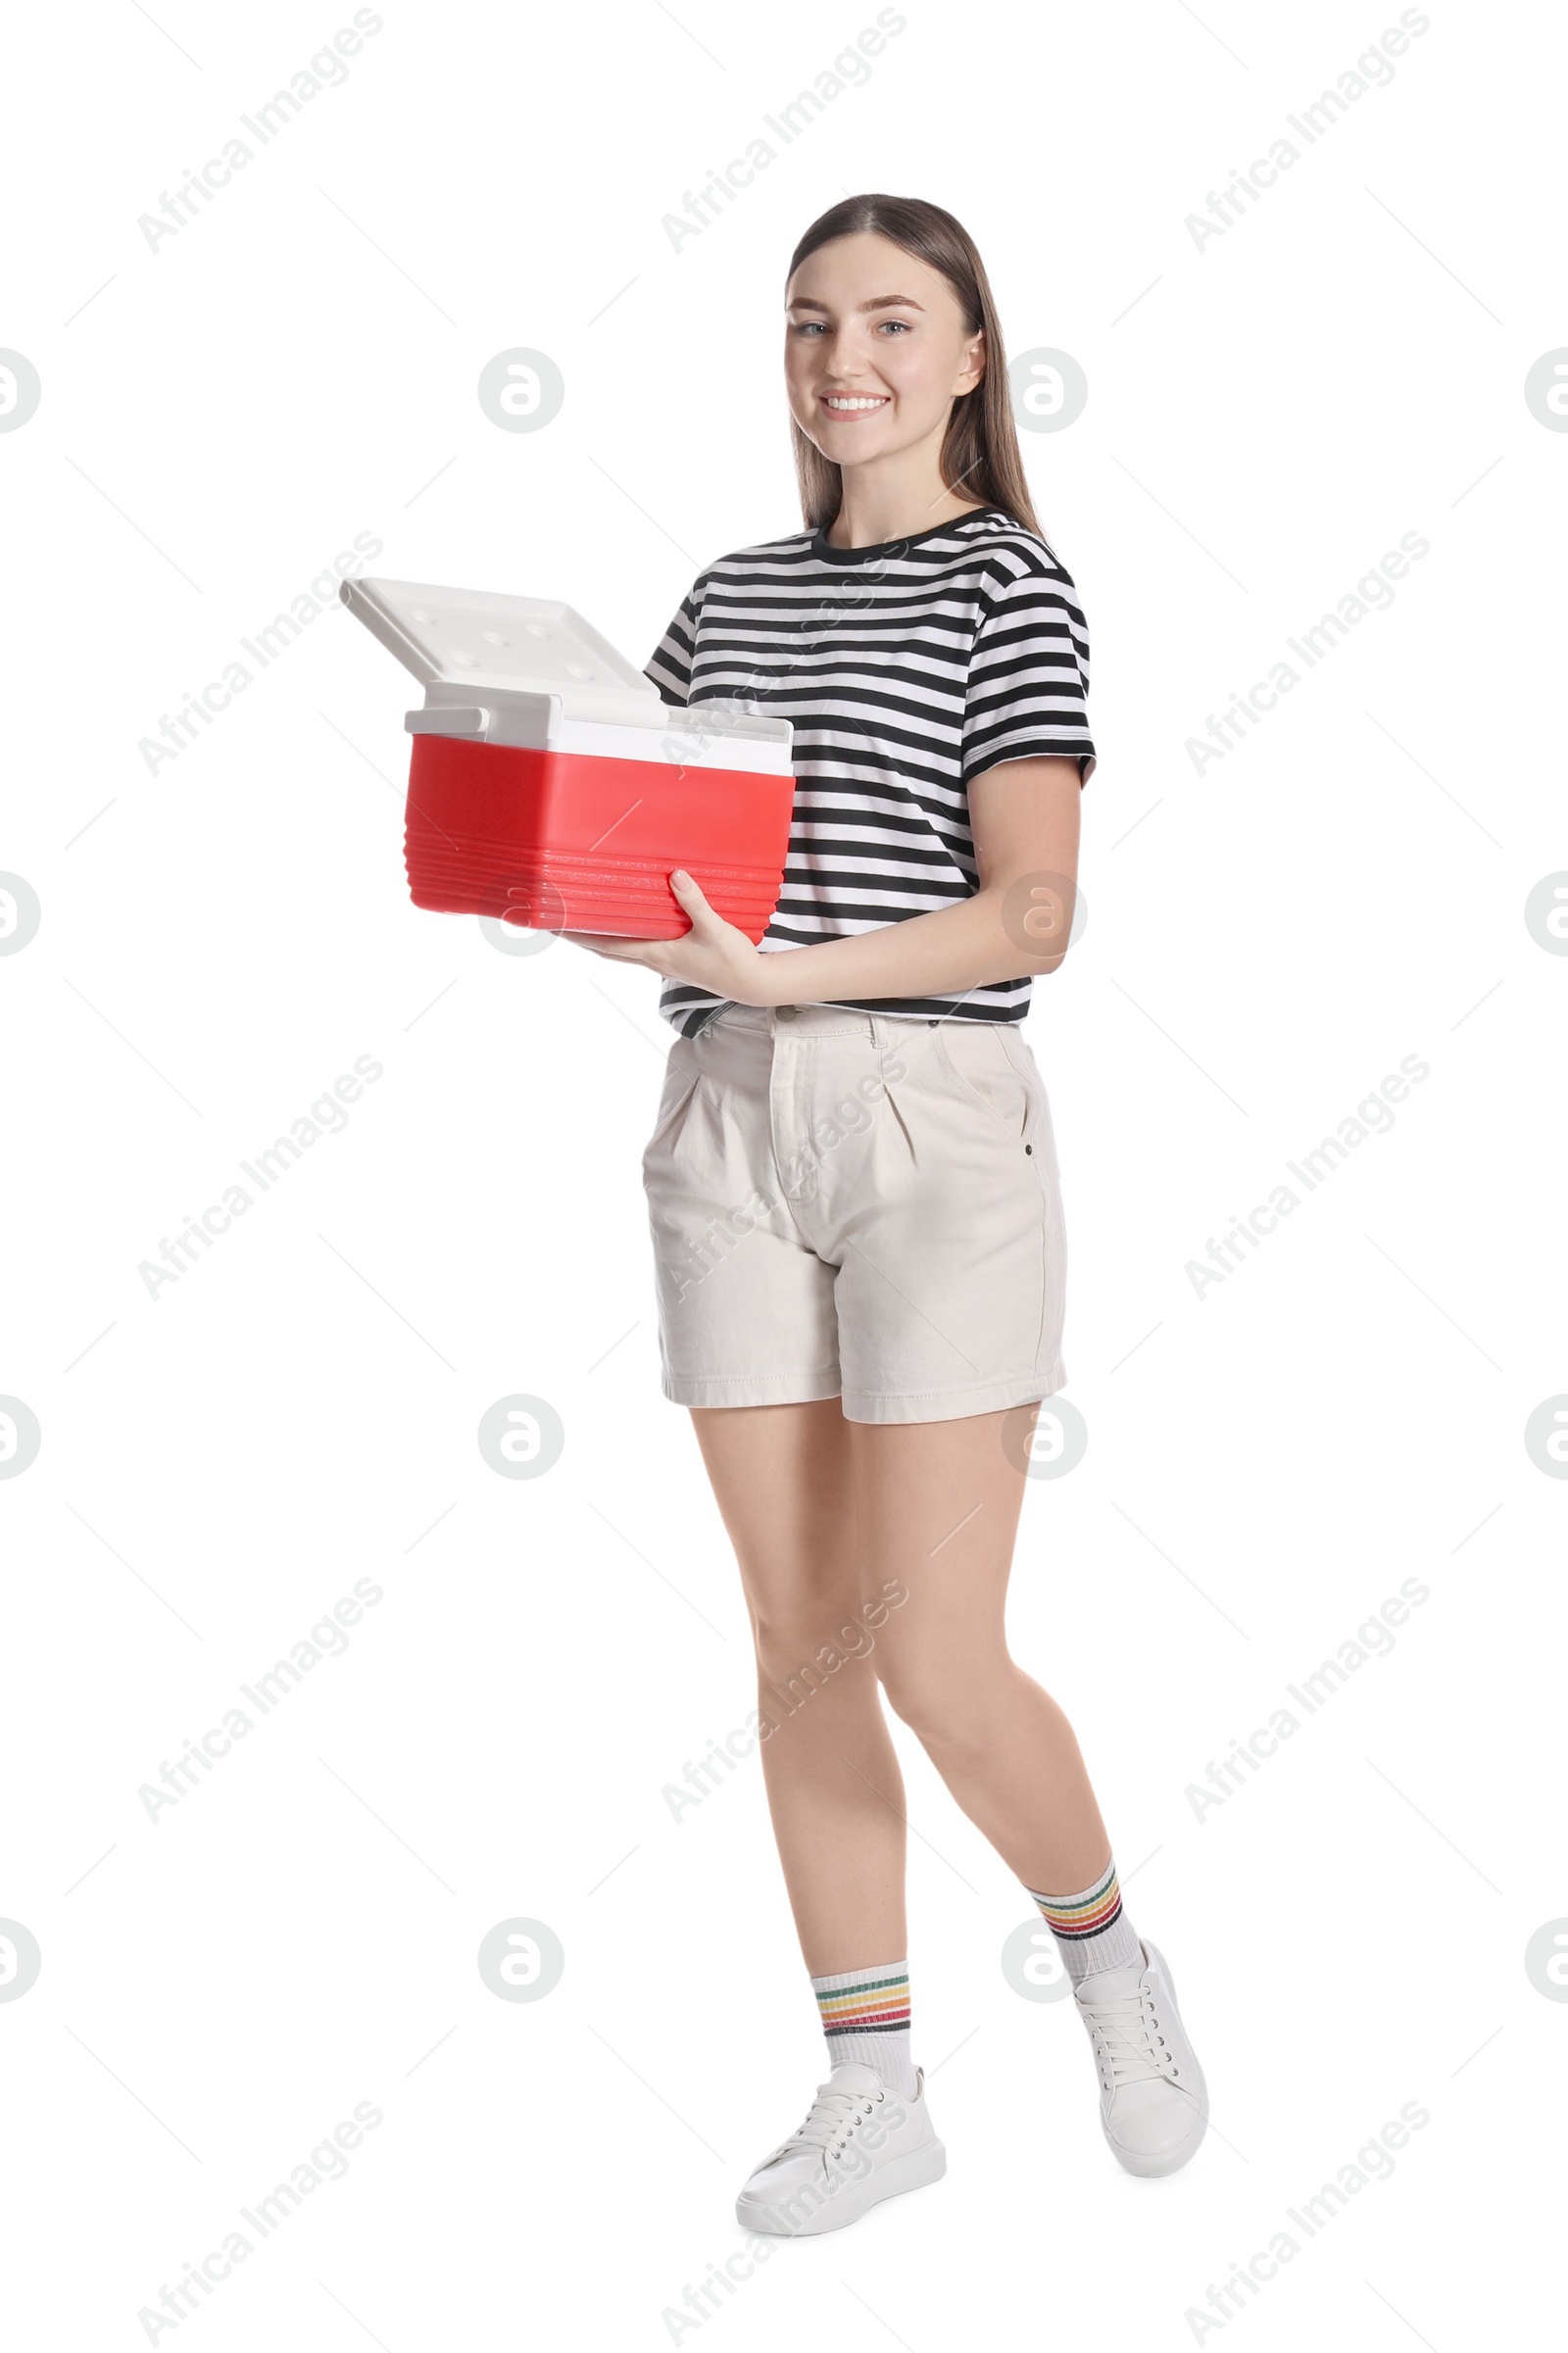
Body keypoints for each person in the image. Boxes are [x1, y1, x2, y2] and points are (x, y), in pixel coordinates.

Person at [561, 192, 1206, 2235]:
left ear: (965, 357)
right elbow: (658, 888)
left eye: (890, 322)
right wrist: (541, 836)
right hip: (724, 1119)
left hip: (930, 1113)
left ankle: (1107, 1957)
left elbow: (1033, 909)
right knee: (797, 1639)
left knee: (936, 1650)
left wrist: (779, 975)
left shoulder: (1011, 584)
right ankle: (870, 2086)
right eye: (808, 323)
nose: (843, 358)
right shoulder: (724, 595)